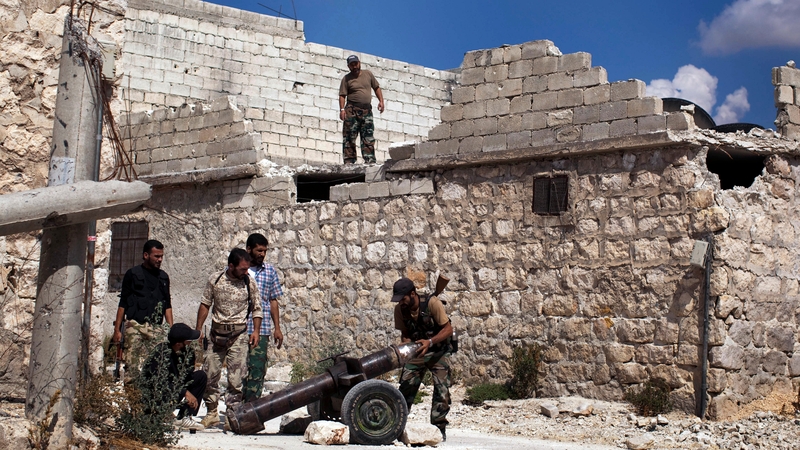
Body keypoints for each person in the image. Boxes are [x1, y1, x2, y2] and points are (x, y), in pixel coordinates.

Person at [195, 248, 263, 429]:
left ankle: (233, 416)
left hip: (238, 336)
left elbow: (257, 308)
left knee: (236, 379)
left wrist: (255, 331)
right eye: (242, 269)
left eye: (247, 268)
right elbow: (205, 304)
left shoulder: (249, 282)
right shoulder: (216, 280)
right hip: (217, 336)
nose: (246, 272)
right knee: (209, 374)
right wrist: (198, 329)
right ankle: (211, 413)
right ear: (231, 266)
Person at [392, 277, 453, 441]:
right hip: (417, 353)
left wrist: (430, 342)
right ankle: (395, 426)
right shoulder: (400, 310)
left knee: (442, 391)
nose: (401, 303)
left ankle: (439, 429)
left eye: (403, 298)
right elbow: (404, 334)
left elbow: (448, 329)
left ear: (412, 294)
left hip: (438, 352)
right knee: (405, 388)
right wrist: (407, 348)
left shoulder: (432, 303)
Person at [112, 239, 173, 374]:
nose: (160, 259)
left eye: (161, 256)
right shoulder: (133, 274)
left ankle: (152, 394)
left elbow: (167, 305)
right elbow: (123, 303)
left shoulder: (163, 277)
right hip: (135, 325)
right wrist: (117, 330)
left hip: (156, 327)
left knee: (158, 366)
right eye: (156, 256)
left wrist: (171, 329)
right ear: (146, 255)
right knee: (131, 367)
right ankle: (132, 394)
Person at [140, 323, 207, 432]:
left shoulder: (187, 353)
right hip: (156, 397)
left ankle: (184, 417)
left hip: (175, 390)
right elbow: (158, 382)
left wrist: (188, 393)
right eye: (188, 340)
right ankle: (158, 415)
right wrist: (184, 392)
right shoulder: (160, 354)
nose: (190, 342)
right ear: (178, 344)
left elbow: (187, 376)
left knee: (200, 376)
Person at [242, 233, 284, 403]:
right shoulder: (238, 271)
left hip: (263, 328)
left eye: (265, 251)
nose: (262, 254)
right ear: (249, 250)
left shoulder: (270, 271)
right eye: (259, 250)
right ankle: (236, 406)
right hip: (240, 327)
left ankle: (251, 407)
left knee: (258, 368)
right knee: (239, 369)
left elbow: (273, 300)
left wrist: (278, 328)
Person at [338, 54, 385, 164]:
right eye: (352, 65)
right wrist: (342, 110)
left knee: (367, 137)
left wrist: (381, 101)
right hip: (351, 111)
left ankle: (370, 161)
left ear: (359, 63)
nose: (354, 67)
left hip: (366, 111)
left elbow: (376, 87)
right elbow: (342, 95)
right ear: (348, 66)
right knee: (349, 137)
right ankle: (349, 162)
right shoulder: (346, 79)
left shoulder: (368, 74)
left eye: (356, 64)